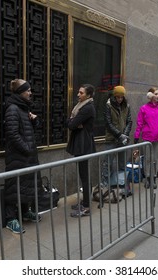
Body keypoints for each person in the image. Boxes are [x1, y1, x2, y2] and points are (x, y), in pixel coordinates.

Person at [4, 79, 43, 234]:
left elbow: (27, 130)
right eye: (28, 90)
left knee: (27, 186)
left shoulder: (23, 108)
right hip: (18, 156)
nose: (30, 92)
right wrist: (27, 148)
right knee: (14, 187)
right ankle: (11, 219)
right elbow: (12, 133)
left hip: (27, 156)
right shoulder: (13, 108)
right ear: (21, 92)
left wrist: (34, 120)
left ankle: (25, 212)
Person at [66, 84, 96, 217]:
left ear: (88, 95)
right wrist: (74, 122)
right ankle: (85, 202)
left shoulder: (87, 108)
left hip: (84, 144)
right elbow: (73, 124)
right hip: (81, 142)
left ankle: (86, 207)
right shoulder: (82, 106)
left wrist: (73, 122)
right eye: (78, 92)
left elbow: (71, 125)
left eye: (81, 93)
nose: (78, 95)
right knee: (83, 174)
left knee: (84, 175)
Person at [134, 88, 158, 189]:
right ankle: (148, 178)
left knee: (155, 159)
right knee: (147, 159)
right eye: (155, 94)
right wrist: (136, 135)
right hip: (147, 137)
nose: (157, 96)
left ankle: (154, 178)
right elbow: (139, 123)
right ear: (150, 95)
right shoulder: (144, 108)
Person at [102, 85, 132, 190]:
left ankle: (122, 183)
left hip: (123, 139)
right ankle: (105, 185)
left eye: (121, 97)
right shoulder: (108, 105)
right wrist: (119, 135)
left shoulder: (126, 106)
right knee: (107, 163)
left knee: (122, 163)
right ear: (114, 96)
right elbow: (108, 123)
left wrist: (125, 135)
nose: (119, 99)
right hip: (111, 139)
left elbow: (129, 121)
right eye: (117, 97)